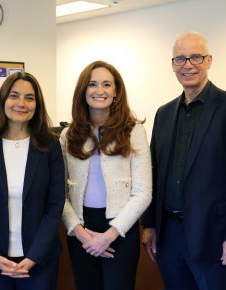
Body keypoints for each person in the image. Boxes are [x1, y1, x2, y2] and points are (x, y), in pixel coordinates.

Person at [141, 31, 226, 290]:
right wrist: (149, 224)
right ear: (173, 65)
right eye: (180, 59)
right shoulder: (164, 113)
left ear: (209, 61)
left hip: (214, 237)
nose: (188, 65)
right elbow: (154, 173)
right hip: (169, 236)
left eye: (195, 57)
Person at [0, 72, 65, 290]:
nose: (21, 103)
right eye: (14, 96)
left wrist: (34, 257)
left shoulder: (50, 145)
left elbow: (55, 206)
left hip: (39, 262)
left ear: (37, 104)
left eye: (29, 98)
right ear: (3, 100)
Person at [60, 60, 152, 290]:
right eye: (92, 84)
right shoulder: (68, 135)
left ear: (116, 91)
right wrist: (80, 233)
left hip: (120, 228)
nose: (99, 91)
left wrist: (108, 236)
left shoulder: (134, 132)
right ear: (83, 91)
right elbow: (59, 193)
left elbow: (143, 193)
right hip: (81, 229)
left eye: (107, 84)